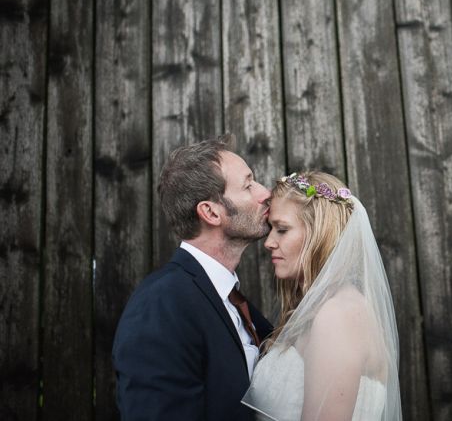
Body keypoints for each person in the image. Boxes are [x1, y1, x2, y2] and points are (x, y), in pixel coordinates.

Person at [112, 135, 274, 420]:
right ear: (211, 212)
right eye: (248, 185)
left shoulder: (233, 301)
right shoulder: (161, 304)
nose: (265, 193)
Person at [242, 171, 402, 420]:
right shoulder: (319, 309)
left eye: (282, 230)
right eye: (271, 228)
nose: (269, 242)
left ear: (320, 234)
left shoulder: (338, 315)